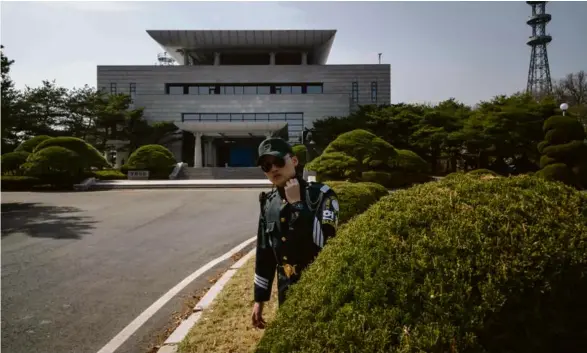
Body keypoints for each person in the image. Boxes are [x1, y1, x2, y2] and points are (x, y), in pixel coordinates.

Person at [251, 137, 339, 329]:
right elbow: (265, 251)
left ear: (294, 161)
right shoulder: (268, 202)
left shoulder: (321, 195)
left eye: (279, 162)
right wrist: (260, 299)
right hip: (286, 288)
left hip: (319, 283)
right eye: (266, 165)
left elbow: (326, 243)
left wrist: (298, 205)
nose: (274, 168)